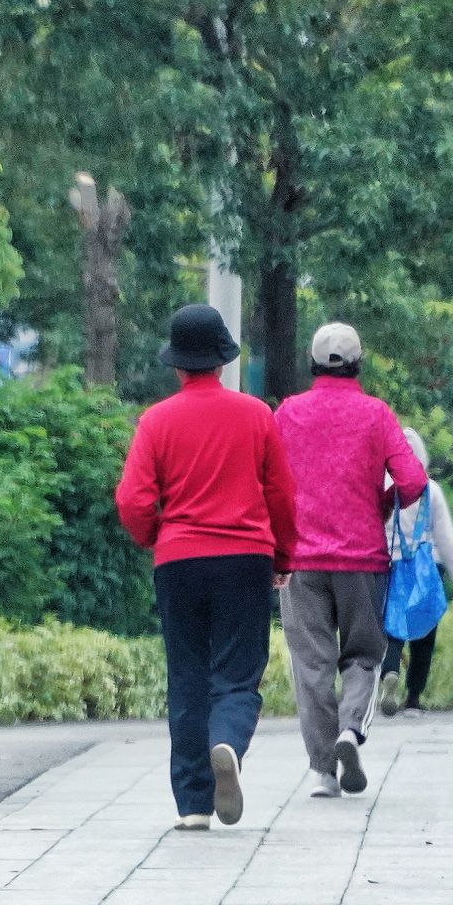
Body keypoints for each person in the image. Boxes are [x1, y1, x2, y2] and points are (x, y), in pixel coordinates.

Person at [115, 305, 297, 830]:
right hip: (245, 560)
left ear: (177, 365)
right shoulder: (257, 416)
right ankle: (229, 743)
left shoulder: (156, 420)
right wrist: (284, 556)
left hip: (180, 560)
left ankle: (193, 805)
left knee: (187, 678)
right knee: (237, 675)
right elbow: (281, 495)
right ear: (221, 361)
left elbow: (132, 499)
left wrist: (157, 535)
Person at [274, 322, 427, 799]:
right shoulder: (376, 414)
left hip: (301, 559)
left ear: (312, 362)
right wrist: (380, 505)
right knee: (362, 656)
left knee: (311, 664)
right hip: (363, 559)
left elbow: (269, 478)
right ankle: (350, 733)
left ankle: (323, 772)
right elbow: (414, 481)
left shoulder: (288, 413)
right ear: (359, 363)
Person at [380, 427, 453, 717]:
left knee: (392, 627)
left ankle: (390, 671)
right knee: (424, 633)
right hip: (427, 567)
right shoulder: (430, 490)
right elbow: (446, 539)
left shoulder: (381, 485)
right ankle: (413, 699)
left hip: (388, 565)